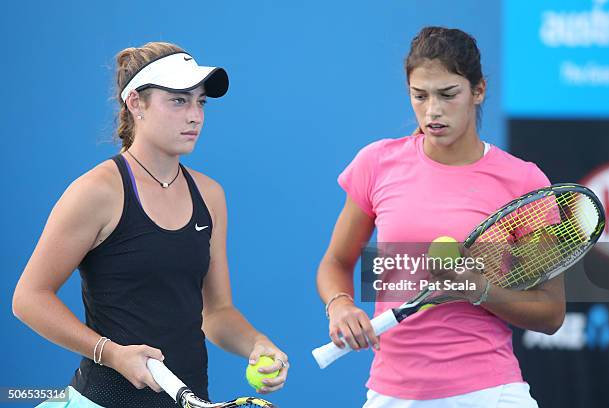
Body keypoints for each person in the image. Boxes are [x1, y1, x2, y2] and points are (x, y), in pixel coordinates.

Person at [12, 42, 289, 407]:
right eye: (178, 101)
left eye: (200, 102)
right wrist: (111, 353)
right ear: (135, 103)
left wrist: (257, 343)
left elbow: (217, 312)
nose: (195, 116)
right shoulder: (96, 192)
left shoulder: (210, 195)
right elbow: (28, 298)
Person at [316, 27, 565, 408]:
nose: (432, 110)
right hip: (392, 391)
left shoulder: (523, 181)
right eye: (420, 95)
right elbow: (336, 262)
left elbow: (550, 313)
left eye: (448, 95)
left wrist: (478, 290)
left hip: (489, 392)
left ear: (478, 91)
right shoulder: (376, 163)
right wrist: (340, 305)